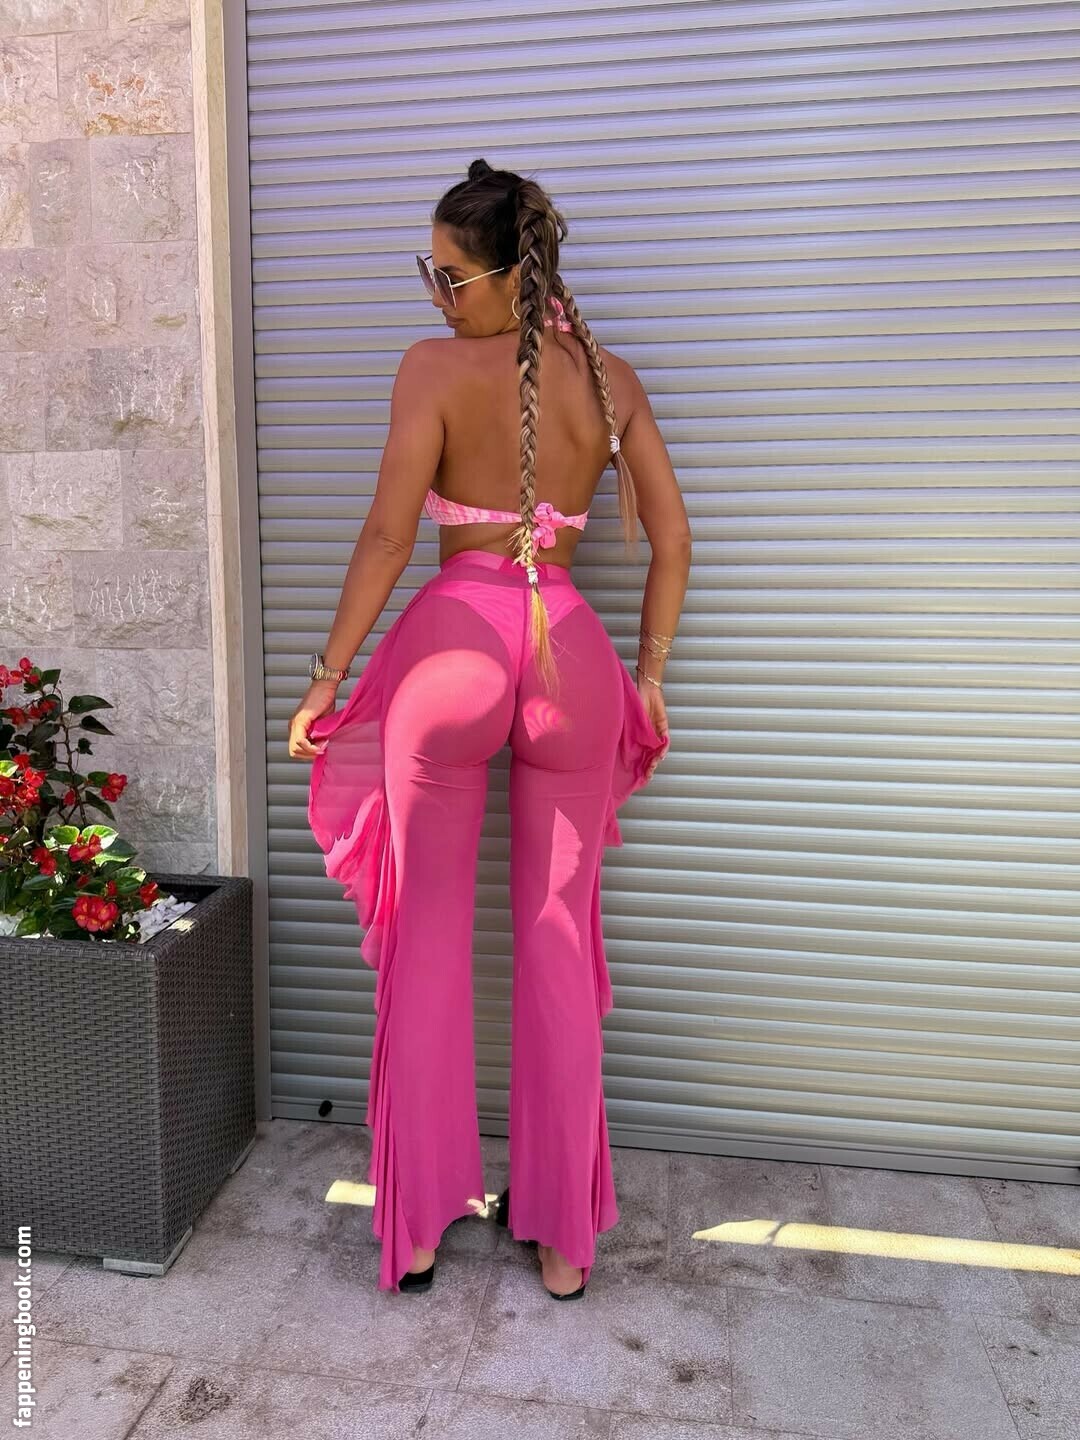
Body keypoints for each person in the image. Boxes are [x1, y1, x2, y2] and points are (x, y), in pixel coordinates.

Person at [288, 158, 692, 1299]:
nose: (436, 295)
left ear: (511, 274)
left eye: (449, 275)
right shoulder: (609, 380)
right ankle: (563, 1242)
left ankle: (418, 1224)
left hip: (450, 657)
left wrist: (326, 678)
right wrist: (651, 676)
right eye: (430, 274)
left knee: (427, 938)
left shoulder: (430, 370)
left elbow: (386, 536)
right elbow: (675, 541)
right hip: (575, 662)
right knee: (558, 942)